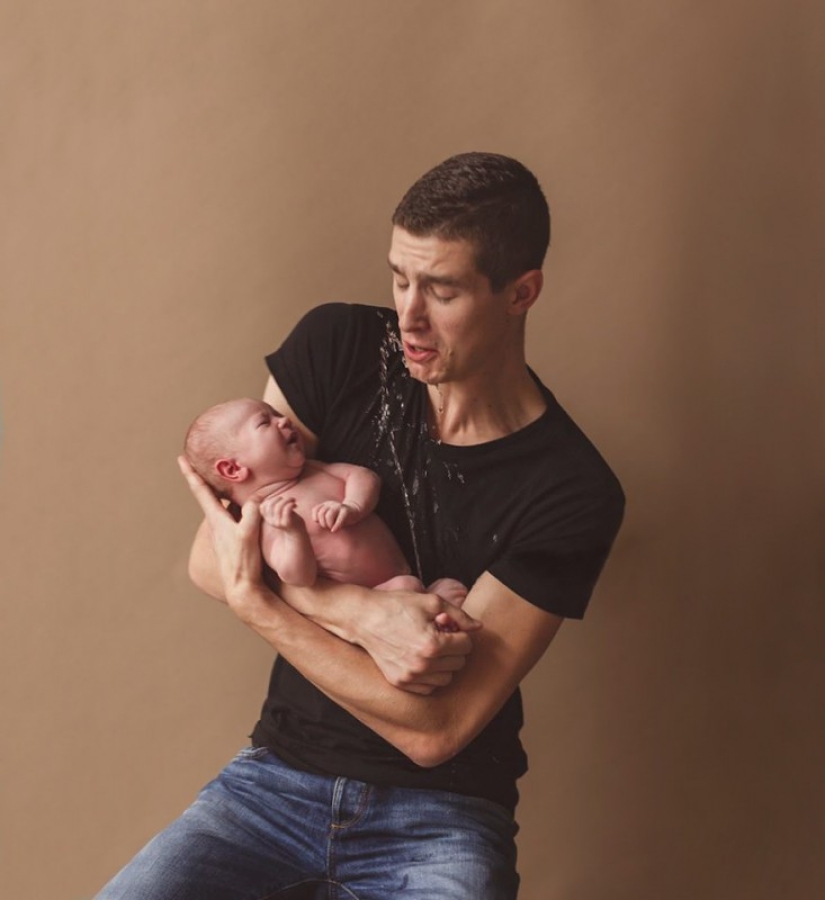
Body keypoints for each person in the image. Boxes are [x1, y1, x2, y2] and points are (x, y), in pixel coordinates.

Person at [95, 152, 625, 899]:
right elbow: (215, 563)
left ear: (521, 292)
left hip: (444, 819)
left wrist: (262, 595)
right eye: (399, 278)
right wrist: (361, 611)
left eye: (440, 290)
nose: (408, 316)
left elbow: (433, 731)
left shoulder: (571, 488)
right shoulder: (338, 348)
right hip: (271, 788)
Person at [183, 397, 468, 610]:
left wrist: (354, 506)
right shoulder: (268, 518)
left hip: (404, 573)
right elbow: (297, 577)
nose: (283, 421)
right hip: (372, 598)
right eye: (264, 422)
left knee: (427, 586)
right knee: (406, 589)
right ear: (233, 470)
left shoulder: (314, 469)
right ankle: (430, 608)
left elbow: (362, 476)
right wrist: (294, 532)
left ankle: (430, 601)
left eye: (276, 414)